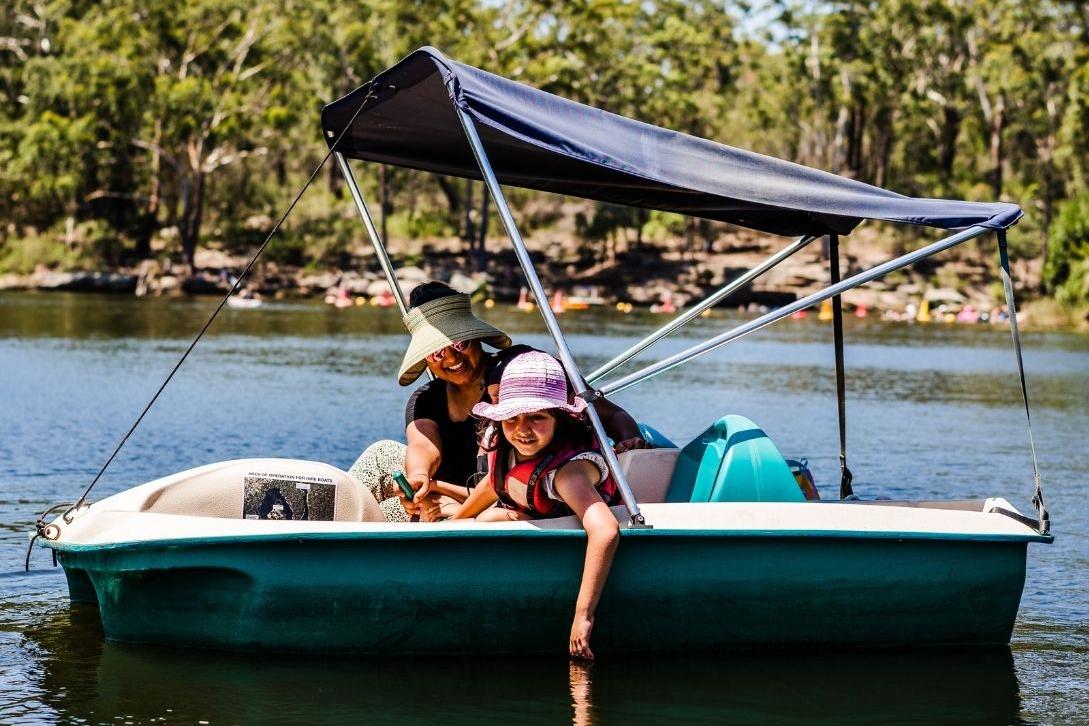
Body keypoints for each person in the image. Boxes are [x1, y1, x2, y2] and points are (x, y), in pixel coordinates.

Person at [350, 281, 646, 522]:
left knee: (386, 513)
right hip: (454, 494)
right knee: (380, 457)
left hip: (494, 499)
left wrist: (629, 438)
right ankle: (311, 527)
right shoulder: (428, 397)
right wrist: (418, 478)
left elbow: (609, 414)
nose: (452, 359)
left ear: (476, 337)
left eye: (459, 344)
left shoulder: (521, 373)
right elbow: (423, 445)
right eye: (437, 353)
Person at [443, 351, 621, 660]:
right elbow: (493, 483)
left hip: (563, 530)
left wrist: (583, 616)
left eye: (537, 417)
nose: (522, 429)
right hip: (528, 511)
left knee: (489, 520)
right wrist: (453, 524)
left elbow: (606, 531)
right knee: (481, 518)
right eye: (512, 418)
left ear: (559, 418)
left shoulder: (568, 474)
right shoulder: (507, 445)